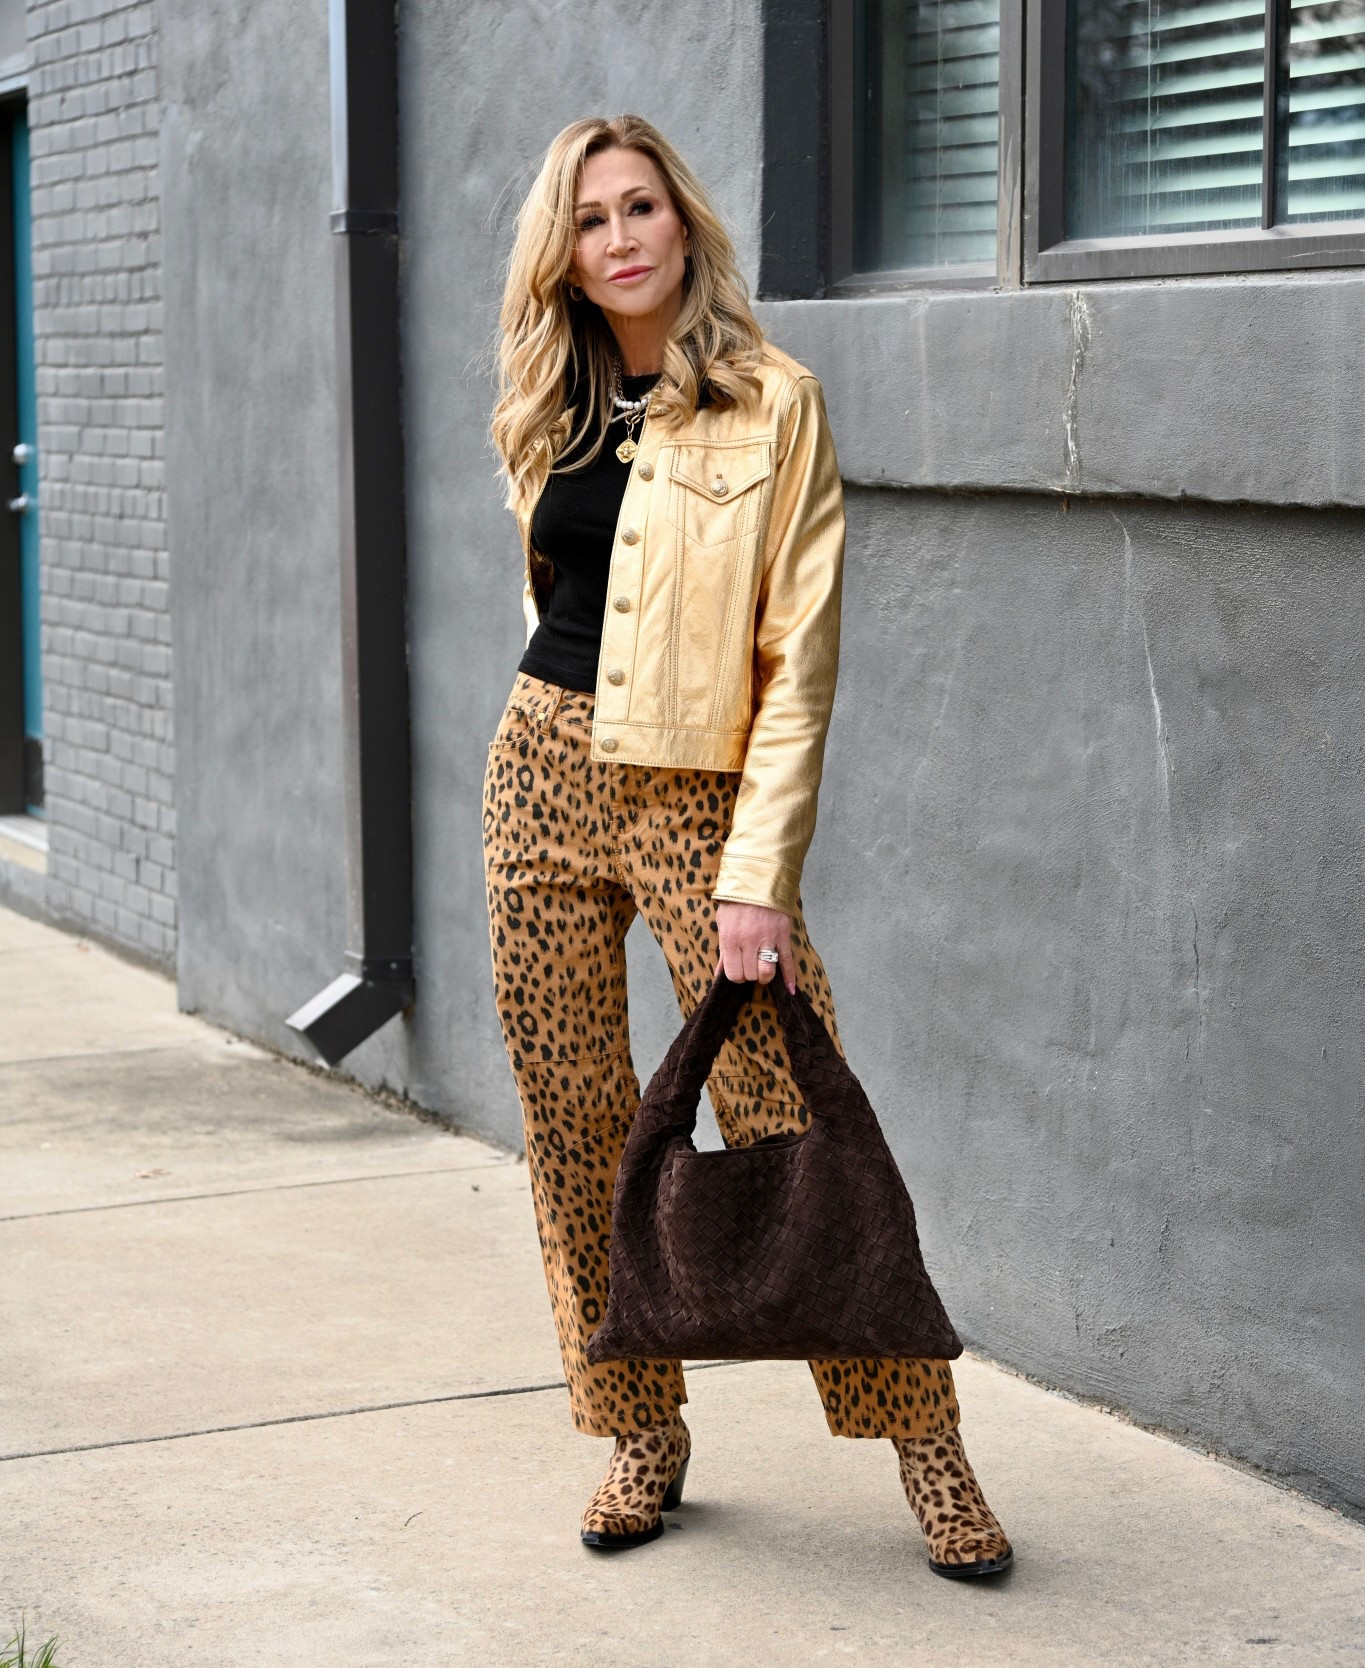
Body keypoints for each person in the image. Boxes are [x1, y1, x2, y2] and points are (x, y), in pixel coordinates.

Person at [484, 113, 1013, 1579]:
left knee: (795, 1111)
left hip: (695, 798)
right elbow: (557, 599)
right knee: (577, 1123)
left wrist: (753, 870)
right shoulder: (550, 397)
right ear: (565, 255)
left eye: (639, 205)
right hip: (537, 772)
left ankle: (930, 1451)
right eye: (589, 221)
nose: (620, 237)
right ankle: (637, 1430)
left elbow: (798, 655)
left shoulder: (772, 400)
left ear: (683, 219)